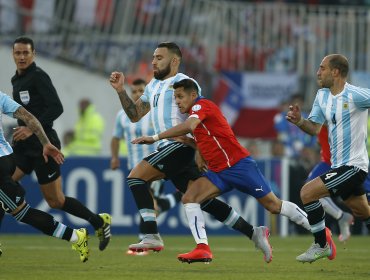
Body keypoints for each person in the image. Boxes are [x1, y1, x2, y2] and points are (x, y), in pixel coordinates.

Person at [109, 42, 274, 263]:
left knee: (136, 177)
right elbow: (134, 115)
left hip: (180, 146)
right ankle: (253, 232)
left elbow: (198, 121)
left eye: (159, 57)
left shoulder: (185, 84)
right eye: (153, 57)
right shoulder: (152, 87)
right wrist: (121, 91)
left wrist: (199, 149)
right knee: (203, 201)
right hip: (169, 149)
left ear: (174, 60)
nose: (153, 61)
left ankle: (151, 234)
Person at [132, 78, 311, 263]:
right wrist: (194, 148)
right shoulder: (195, 115)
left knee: (273, 205)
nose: (177, 101)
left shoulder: (202, 106)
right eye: (175, 97)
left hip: (239, 166)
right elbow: (204, 137)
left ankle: (318, 231)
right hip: (219, 172)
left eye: (180, 96)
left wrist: (155, 137)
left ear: (193, 95)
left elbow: (189, 126)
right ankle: (202, 248)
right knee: (190, 198)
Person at [8, 36, 111, 251]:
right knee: (3, 184)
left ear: (33, 54)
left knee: (56, 201)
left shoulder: (38, 77)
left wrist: (31, 128)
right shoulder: (15, 80)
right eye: (18, 53)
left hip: (43, 146)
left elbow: (56, 108)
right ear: (13, 55)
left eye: (26, 53)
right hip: (23, 148)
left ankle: (98, 222)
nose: (22, 57)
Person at [286, 54, 370, 263]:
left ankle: (321, 245)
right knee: (362, 211)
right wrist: (299, 122)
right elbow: (314, 128)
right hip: (338, 165)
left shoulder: (355, 95)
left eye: (322, 68)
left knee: (307, 192)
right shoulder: (322, 96)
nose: (317, 72)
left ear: (335, 72)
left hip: (354, 166)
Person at [0, 90, 89, 262]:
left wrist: (46, 143)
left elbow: (29, 118)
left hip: (0, 165)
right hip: (7, 158)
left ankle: (76, 237)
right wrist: (45, 142)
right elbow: (28, 117)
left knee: (21, 212)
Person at [110, 78, 182, 255]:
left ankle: (145, 239)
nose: (136, 94)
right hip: (134, 166)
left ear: (145, 92)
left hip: (156, 164)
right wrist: (114, 157)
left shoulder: (154, 112)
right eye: (133, 91)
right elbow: (115, 137)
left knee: (150, 202)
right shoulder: (123, 115)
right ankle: (176, 197)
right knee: (152, 206)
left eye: (140, 91)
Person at [306, 124, 354, 241]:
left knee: (361, 201)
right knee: (309, 191)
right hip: (328, 161)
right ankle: (341, 216)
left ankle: (341, 216)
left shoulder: (332, 111)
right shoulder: (322, 111)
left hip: (342, 161)